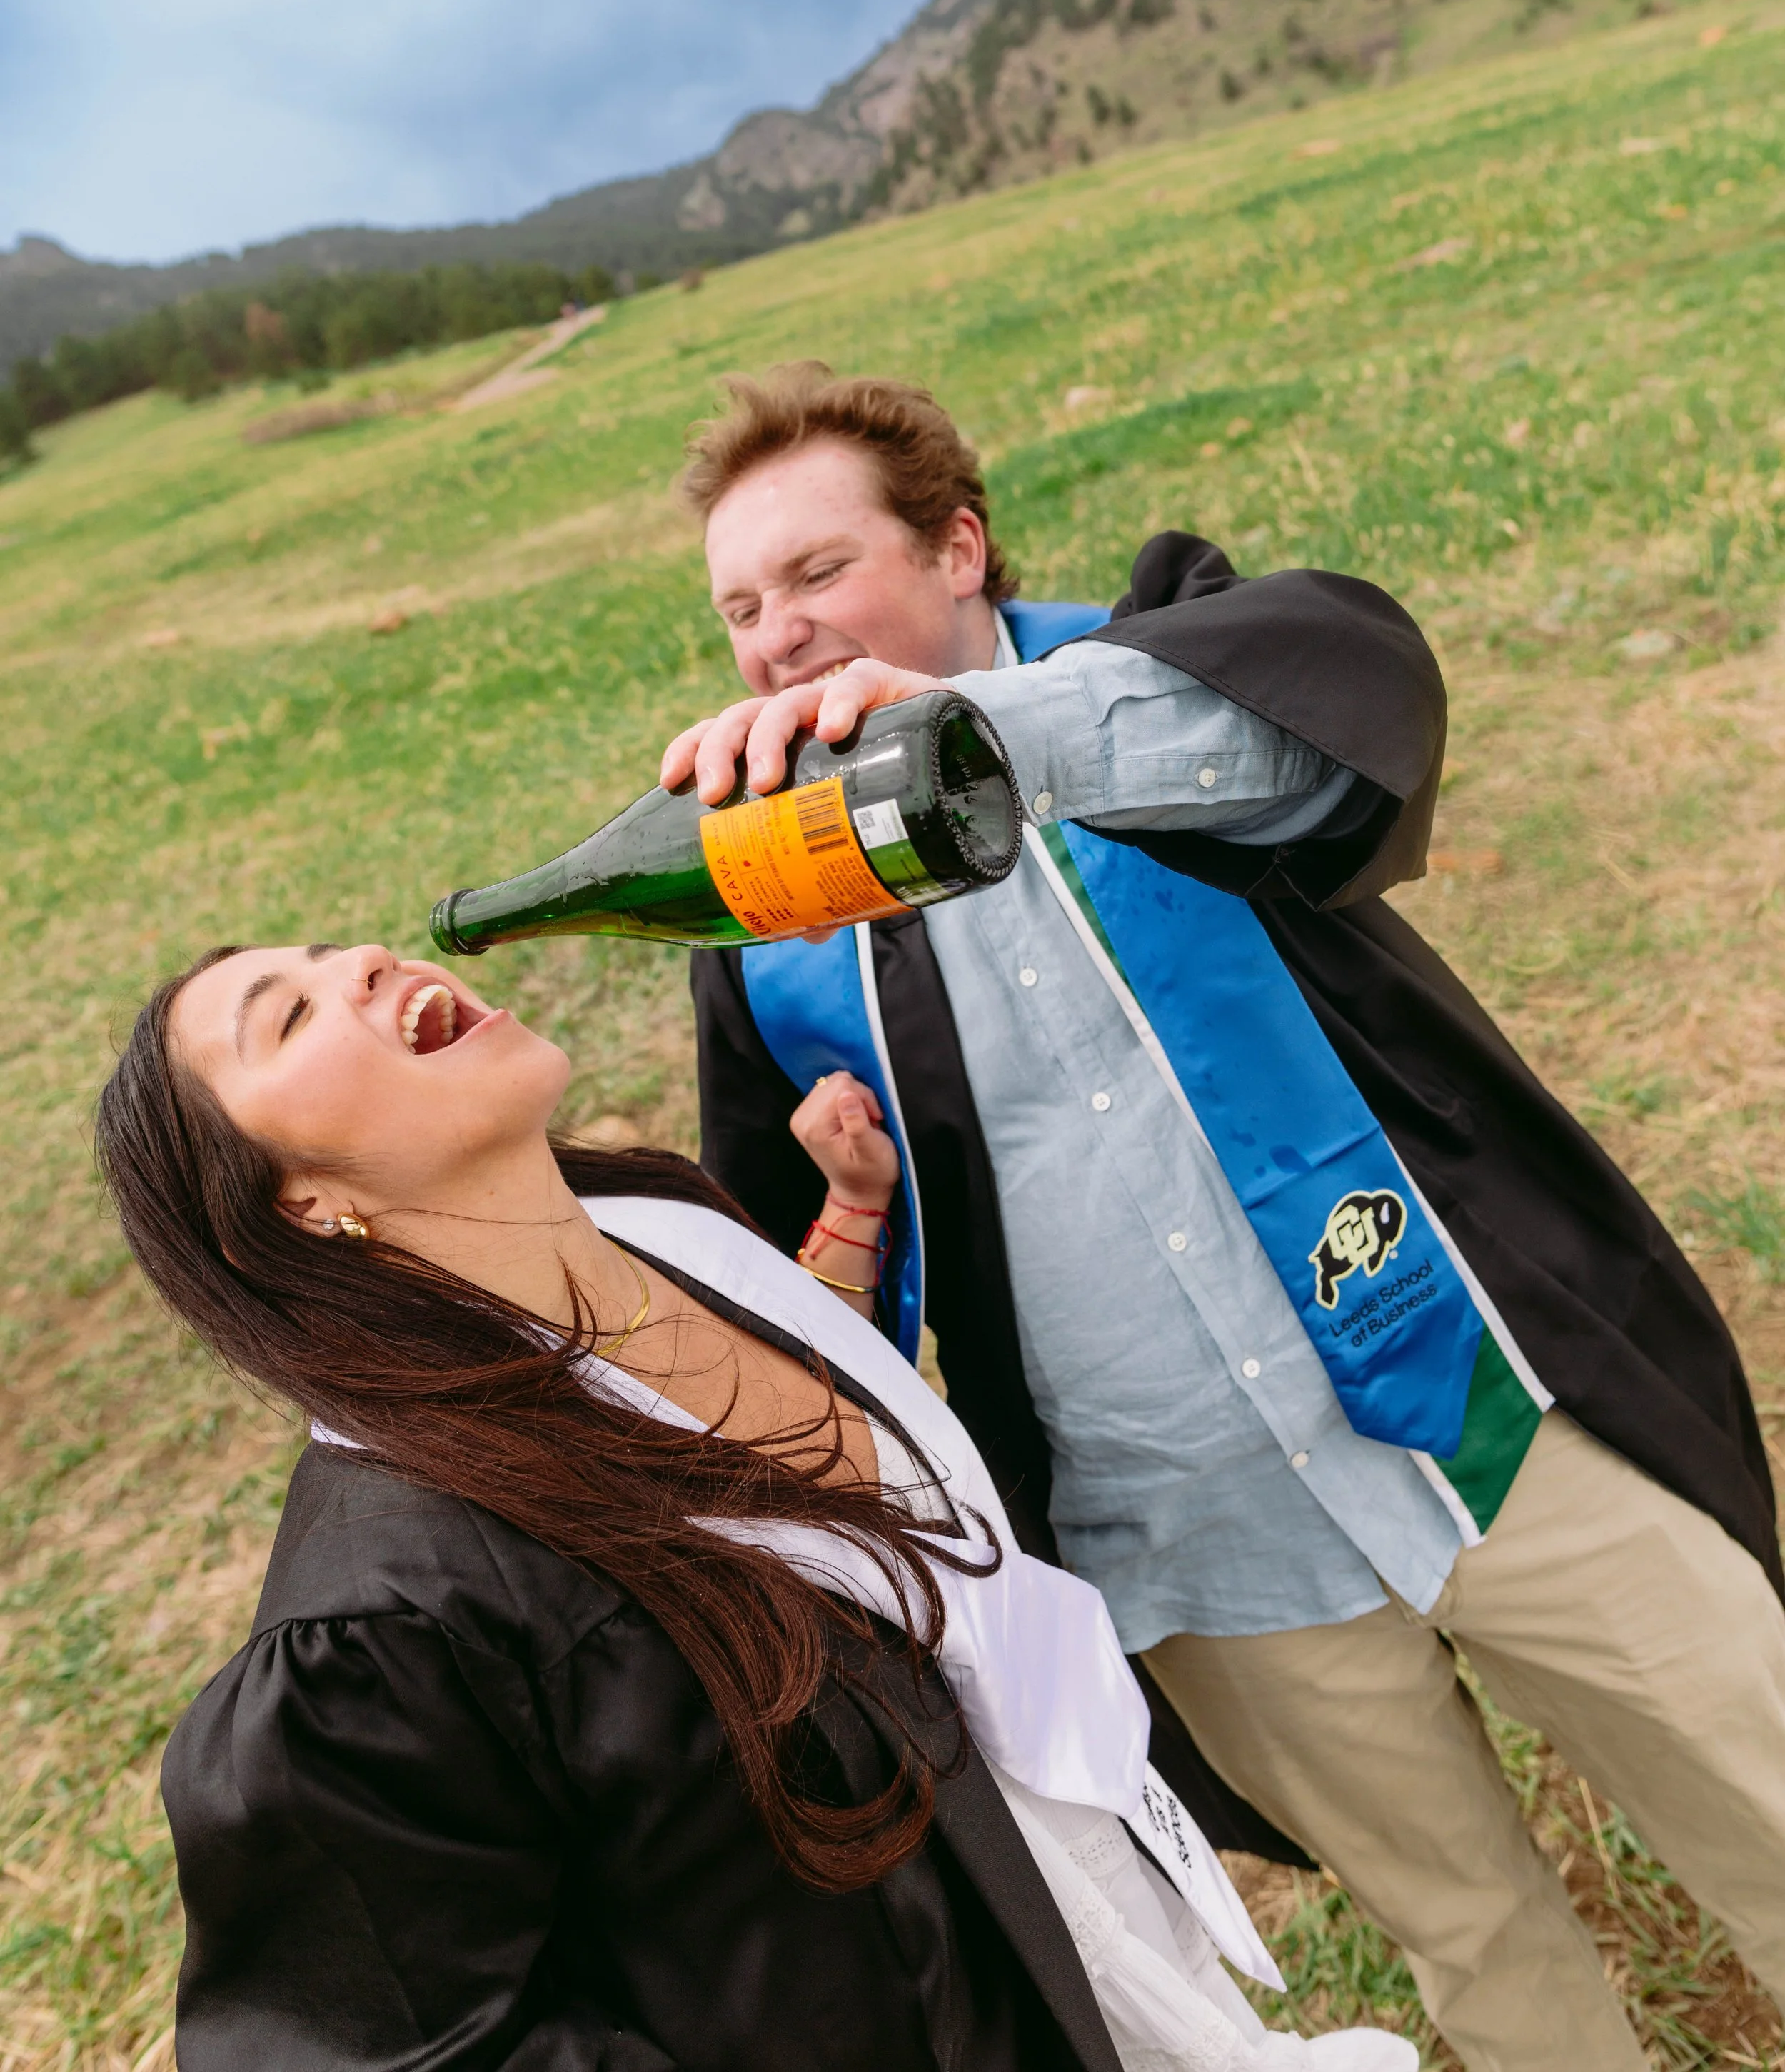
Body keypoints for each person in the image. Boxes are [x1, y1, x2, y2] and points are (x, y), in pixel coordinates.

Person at [670, 361, 1785, 2072]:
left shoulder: (1159, 670)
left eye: (819, 573)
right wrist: (849, 1202)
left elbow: (1338, 722)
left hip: (1468, 1412)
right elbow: (791, 1295)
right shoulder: (771, 907)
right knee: (1470, 1937)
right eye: (743, 608)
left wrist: (976, 739)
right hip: (1184, 1533)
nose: (780, 636)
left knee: (1765, 1790)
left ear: (959, 548)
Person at [96, 935, 1418, 2072]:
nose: (361, 965)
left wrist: (851, 1211)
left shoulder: (651, 1221)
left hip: (1071, 1937)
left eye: (335, 952)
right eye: (289, 1014)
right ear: (297, 1205)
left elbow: (820, 1482)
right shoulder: (391, 1625)